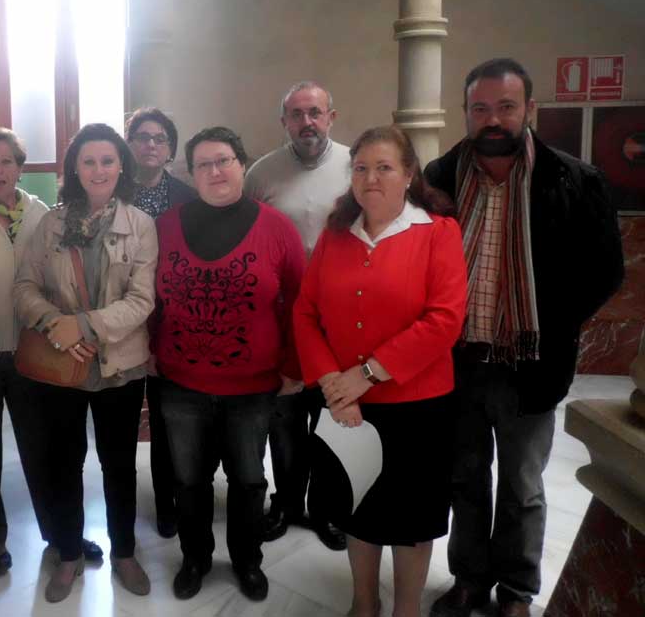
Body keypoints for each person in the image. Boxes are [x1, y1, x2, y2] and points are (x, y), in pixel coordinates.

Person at [426, 58, 624, 617]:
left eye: (505, 107)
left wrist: (549, 323)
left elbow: (606, 270)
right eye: (481, 108)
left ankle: (515, 591)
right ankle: (468, 579)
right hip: (457, 362)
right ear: (466, 112)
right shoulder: (437, 181)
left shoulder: (574, 179)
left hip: (531, 363)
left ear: (529, 110)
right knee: (465, 478)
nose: (493, 119)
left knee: (522, 486)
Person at [293, 125, 467, 617]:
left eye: (385, 167)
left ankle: (405, 608)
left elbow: (444, 319)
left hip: (417, 406)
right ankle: (363, 601)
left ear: (409, 174)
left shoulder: (437, 232)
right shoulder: (335, 236)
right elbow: (305, 313)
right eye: (361, 167)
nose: (371, 177)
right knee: (356, 507)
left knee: (410, 519)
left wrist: (363, 375)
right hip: (344, 405)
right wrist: (332, 381)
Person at [153, 126, 306, 602]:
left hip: (252, 386)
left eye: (224, 160)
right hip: (181, 382)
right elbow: (147, 299)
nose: (215, 171)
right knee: (189, 481)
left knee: (247, 480)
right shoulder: (165, 227)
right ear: (190, 173)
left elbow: (300, 303)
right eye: (203, 164)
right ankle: (195, 557)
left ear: (242, 164)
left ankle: (246, 560)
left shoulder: (278, 229)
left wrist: (293, 367)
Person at [14, 123, 157, 603]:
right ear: (75, 168)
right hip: (61, 365)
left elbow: (142, 300)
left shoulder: (140, 225)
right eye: (89, 161)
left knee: (119, 464)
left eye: (108, 160)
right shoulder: (50, 224)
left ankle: (124, 553)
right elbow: (25, 289)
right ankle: (69, 554)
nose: (99, 169)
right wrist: (58, 325)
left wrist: (87, 325)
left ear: (121, 167)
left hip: (119, 365)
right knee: (63, 463)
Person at [0, 128, 105, 573]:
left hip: (36, 352)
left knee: (45, 450)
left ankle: (62, 534)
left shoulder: (42, 213)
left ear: (20, 167)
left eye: (6, 161)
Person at [245, 81, 350, 550]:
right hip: (282, 322)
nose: (306, 122)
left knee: (330, 420)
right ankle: (287, 504)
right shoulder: (262, 174)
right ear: (283, 121)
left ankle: (328, 510)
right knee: (284, 424)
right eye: (296, 114)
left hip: (341, 322)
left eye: (315, 112)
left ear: (331, 116)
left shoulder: (354, 166)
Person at [125, 106, 198, 540]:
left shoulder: (187, 197)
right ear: (130, 143)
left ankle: (168, 500)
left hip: (172, 318)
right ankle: (122, 499)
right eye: (143, 137)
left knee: (168, 418)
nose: (151, 145)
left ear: (170, 149)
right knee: (123, 416)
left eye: (160, 138)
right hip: (123, 320)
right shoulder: (111, 190)